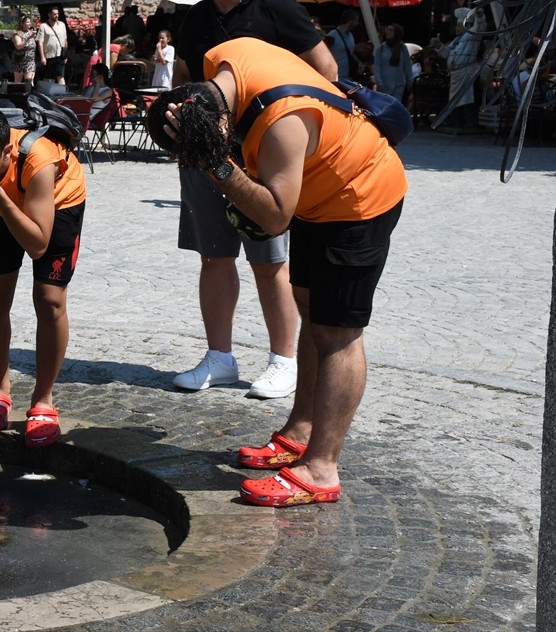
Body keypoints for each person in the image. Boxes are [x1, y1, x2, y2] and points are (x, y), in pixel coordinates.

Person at [149, 37, 406, 507]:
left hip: (359, 198)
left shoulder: (281, 124)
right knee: (309, 307)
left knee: (337, 331)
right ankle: (301, 430)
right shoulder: (225, 55)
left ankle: (321, 468)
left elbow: (274, 218)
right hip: (318, 196)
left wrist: (218, 167)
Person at [172, 0, 337, 401]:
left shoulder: (278, 9)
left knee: (270, 261)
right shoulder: (197, 19)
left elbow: (326, 72)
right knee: (214, 257)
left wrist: (292, 132)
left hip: (264, 154)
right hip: (207, 153)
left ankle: (283, 360)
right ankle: (219, 358)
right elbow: (184, 78)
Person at [0, 103, 87, 448]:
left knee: (50, 300)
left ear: (6, 150)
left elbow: (38, 244)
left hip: (58, 203)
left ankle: (43, 400)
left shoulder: (39, 161)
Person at [373, 23, 413, 103]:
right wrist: (379, 82)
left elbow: (407, 66)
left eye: (391, 30)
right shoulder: (381, 49)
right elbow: (377, 67)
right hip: (383, 87)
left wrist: (410, 82)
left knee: (395, 107)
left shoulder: (402, 48)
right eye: (386, 30)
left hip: (398, 86)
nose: (387, 32)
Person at [327, 10, 361, 81]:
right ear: (350, 21)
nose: (357, 23)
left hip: (349, 78)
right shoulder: (332, 35)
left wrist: (359, 63)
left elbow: (351, 53)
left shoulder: (351, 35)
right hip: (336, 77)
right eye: (356, 20)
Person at [38, 6, 68, 85]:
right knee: (48, 77)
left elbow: (65, 40)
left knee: (60, 76)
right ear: (49, 15)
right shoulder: (43, 26)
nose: (56, 16)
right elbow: (40, 42)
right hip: (49, 55)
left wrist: (65, 55)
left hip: (60, 55)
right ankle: (47, 93)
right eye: (54, 14)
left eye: (57, 14)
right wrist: (42, 57)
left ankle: (62, 94)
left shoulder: (62, 25)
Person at [11, 15, 40, 85]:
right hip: (19, 61)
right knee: (17, 83)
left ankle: (29, 95)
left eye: (30, 22)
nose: (29, 23)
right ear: (22, 23)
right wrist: (28, 38)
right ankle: (17, 95)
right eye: (27, 22)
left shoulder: (32, 33)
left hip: (30, 62)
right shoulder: (17, 34)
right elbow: (18, 46)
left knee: (29, 82)